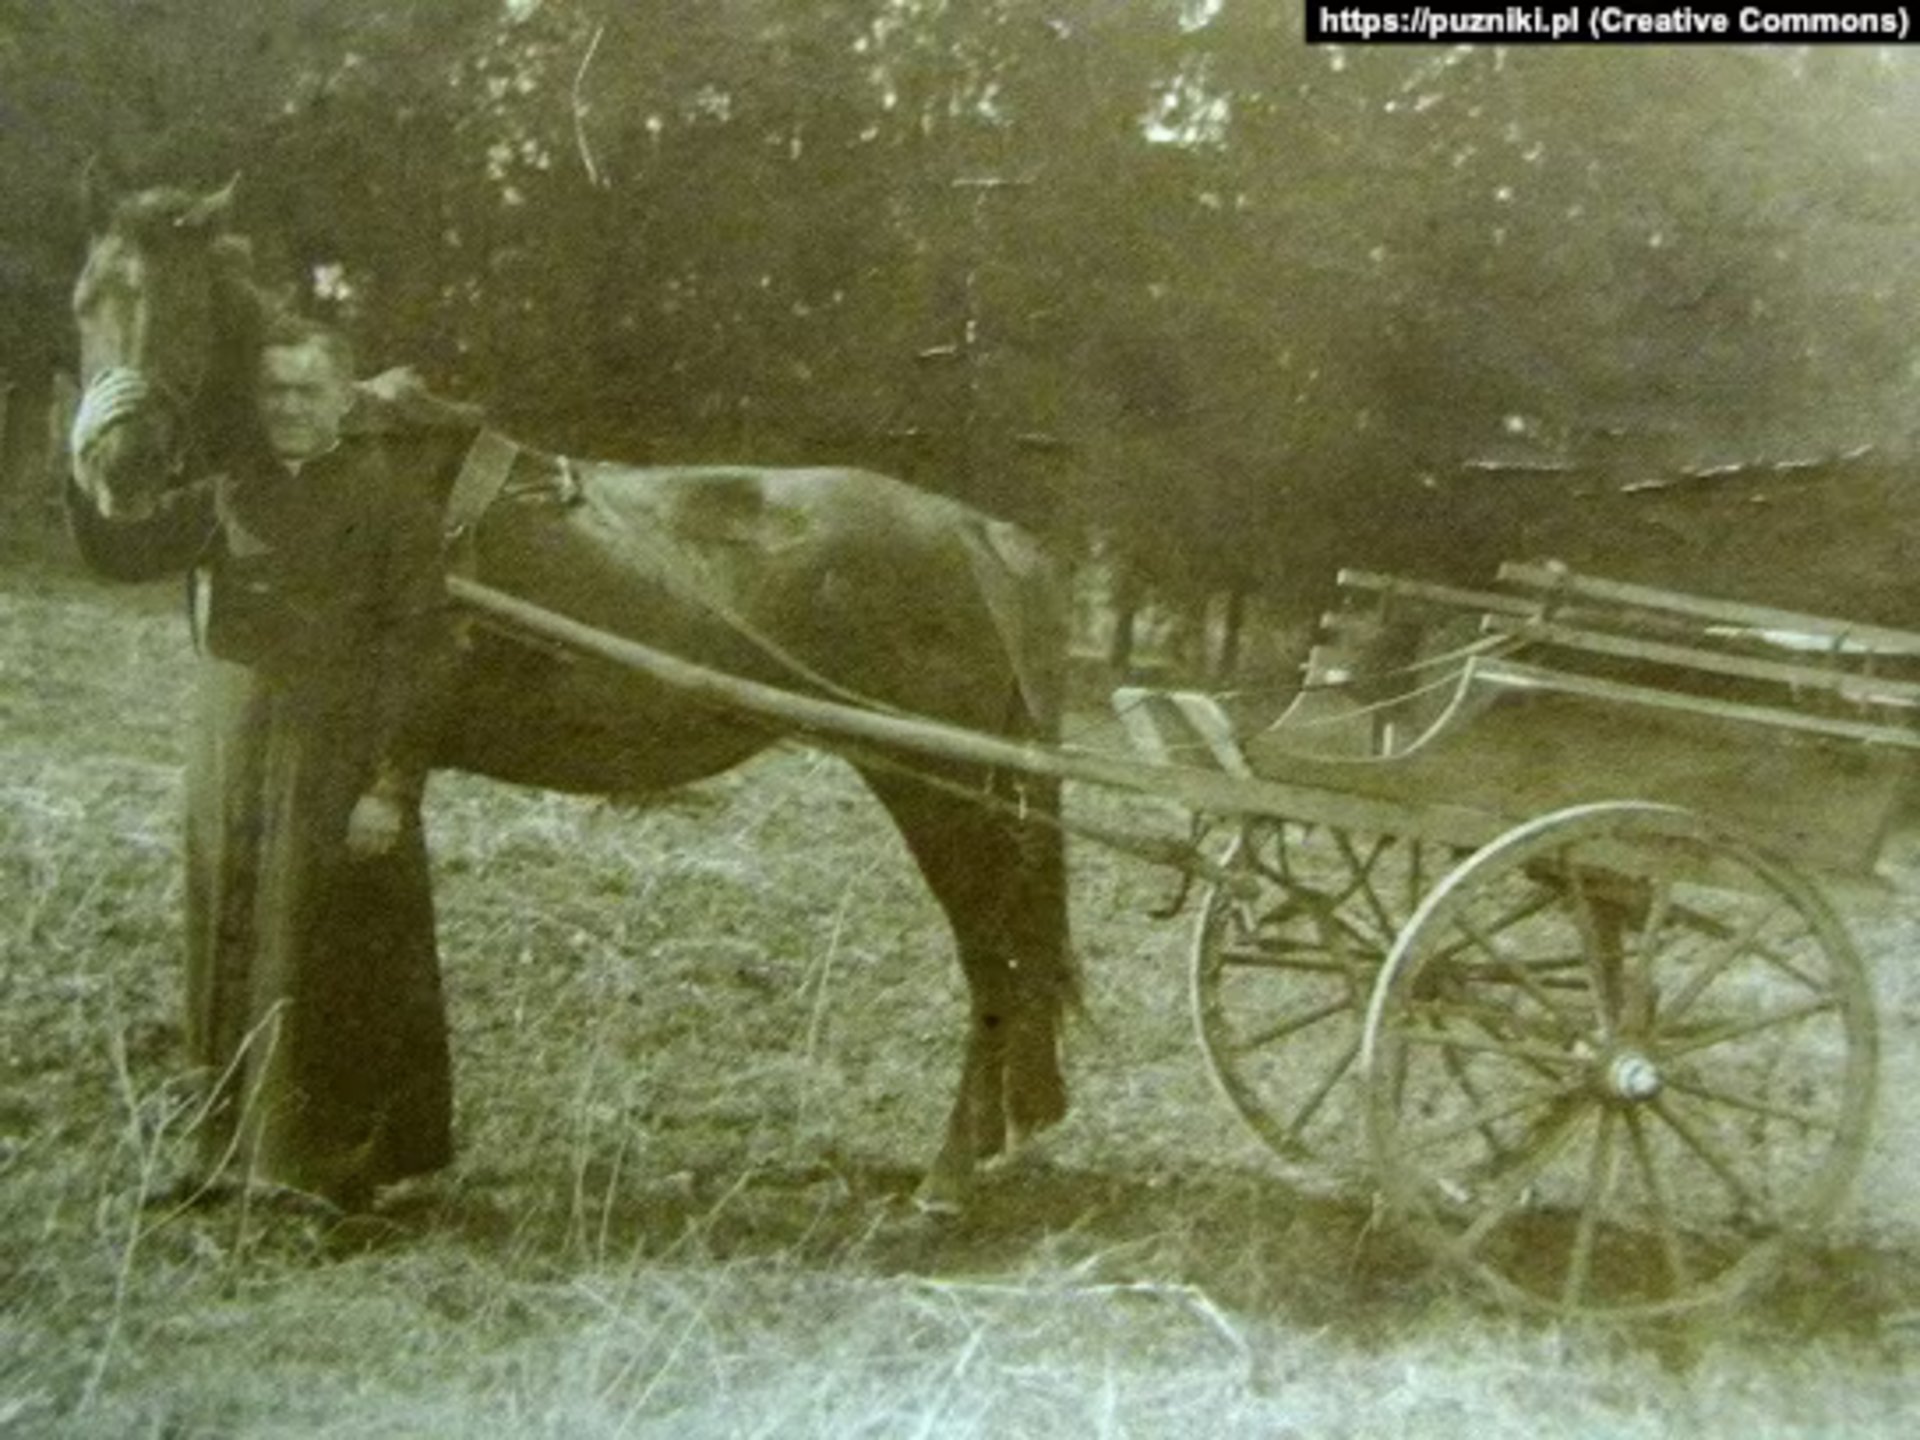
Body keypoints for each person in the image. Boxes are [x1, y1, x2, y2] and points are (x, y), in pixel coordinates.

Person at [172, 314, 458, 1210]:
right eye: (274, 392)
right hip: (236, 769)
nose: (289, 408)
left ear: (345, 398)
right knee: (230, 944)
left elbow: (425, 653)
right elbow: (121, 548)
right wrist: (94, 448)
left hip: (336, 771)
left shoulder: (390, 502)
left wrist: (391, 787)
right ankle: (228, 1153)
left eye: (307, 391)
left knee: (332, 958)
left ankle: (333, 1174)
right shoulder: (232, 489)